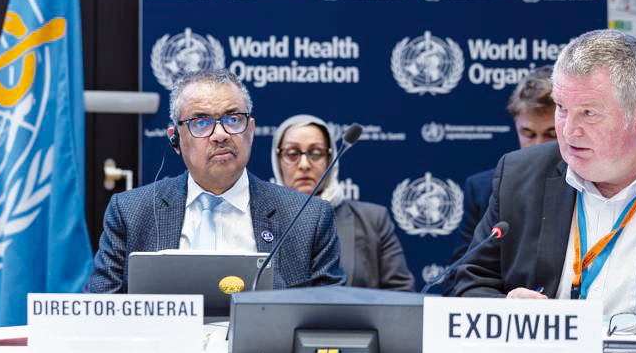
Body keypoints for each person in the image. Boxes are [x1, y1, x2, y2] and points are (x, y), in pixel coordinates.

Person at [452, 30, 636, 317]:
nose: (568, 130)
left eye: (588, 113)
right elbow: (468, 282)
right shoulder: (518, 176)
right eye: (562, 108)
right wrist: (505, 309)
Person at [86, 69, 344, 293]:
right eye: (201, 122)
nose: (221, 134)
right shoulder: (131, 213)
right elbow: (99, 309)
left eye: (233, 119)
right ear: (175, 140)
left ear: (251, 131)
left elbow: (331, 317)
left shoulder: (307, 216)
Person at [271, 114, 414, 290]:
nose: (304, 164)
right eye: (292, 153)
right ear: (277, 160)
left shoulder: (373, 220)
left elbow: (402, 295)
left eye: (315, 153)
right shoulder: (259, 216)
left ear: (330, 159)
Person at [452, 66, 556, 261]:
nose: (538, 145)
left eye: (551, 135)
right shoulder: (483, 189)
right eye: (528, 134)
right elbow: (458, 276)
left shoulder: (593, 185)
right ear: (516, 123)